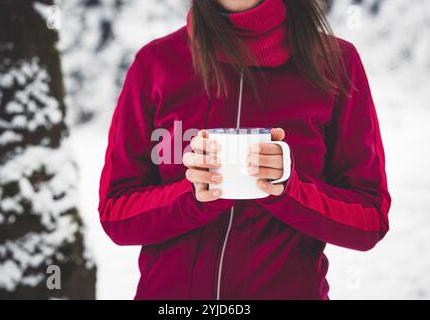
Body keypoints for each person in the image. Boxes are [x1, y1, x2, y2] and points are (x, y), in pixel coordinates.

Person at [98, 0, 391, 300]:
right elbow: (116, 215)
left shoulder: (336, 63)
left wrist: (289, 189)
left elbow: (369, 221)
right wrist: (191, 196)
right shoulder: (156, 63)